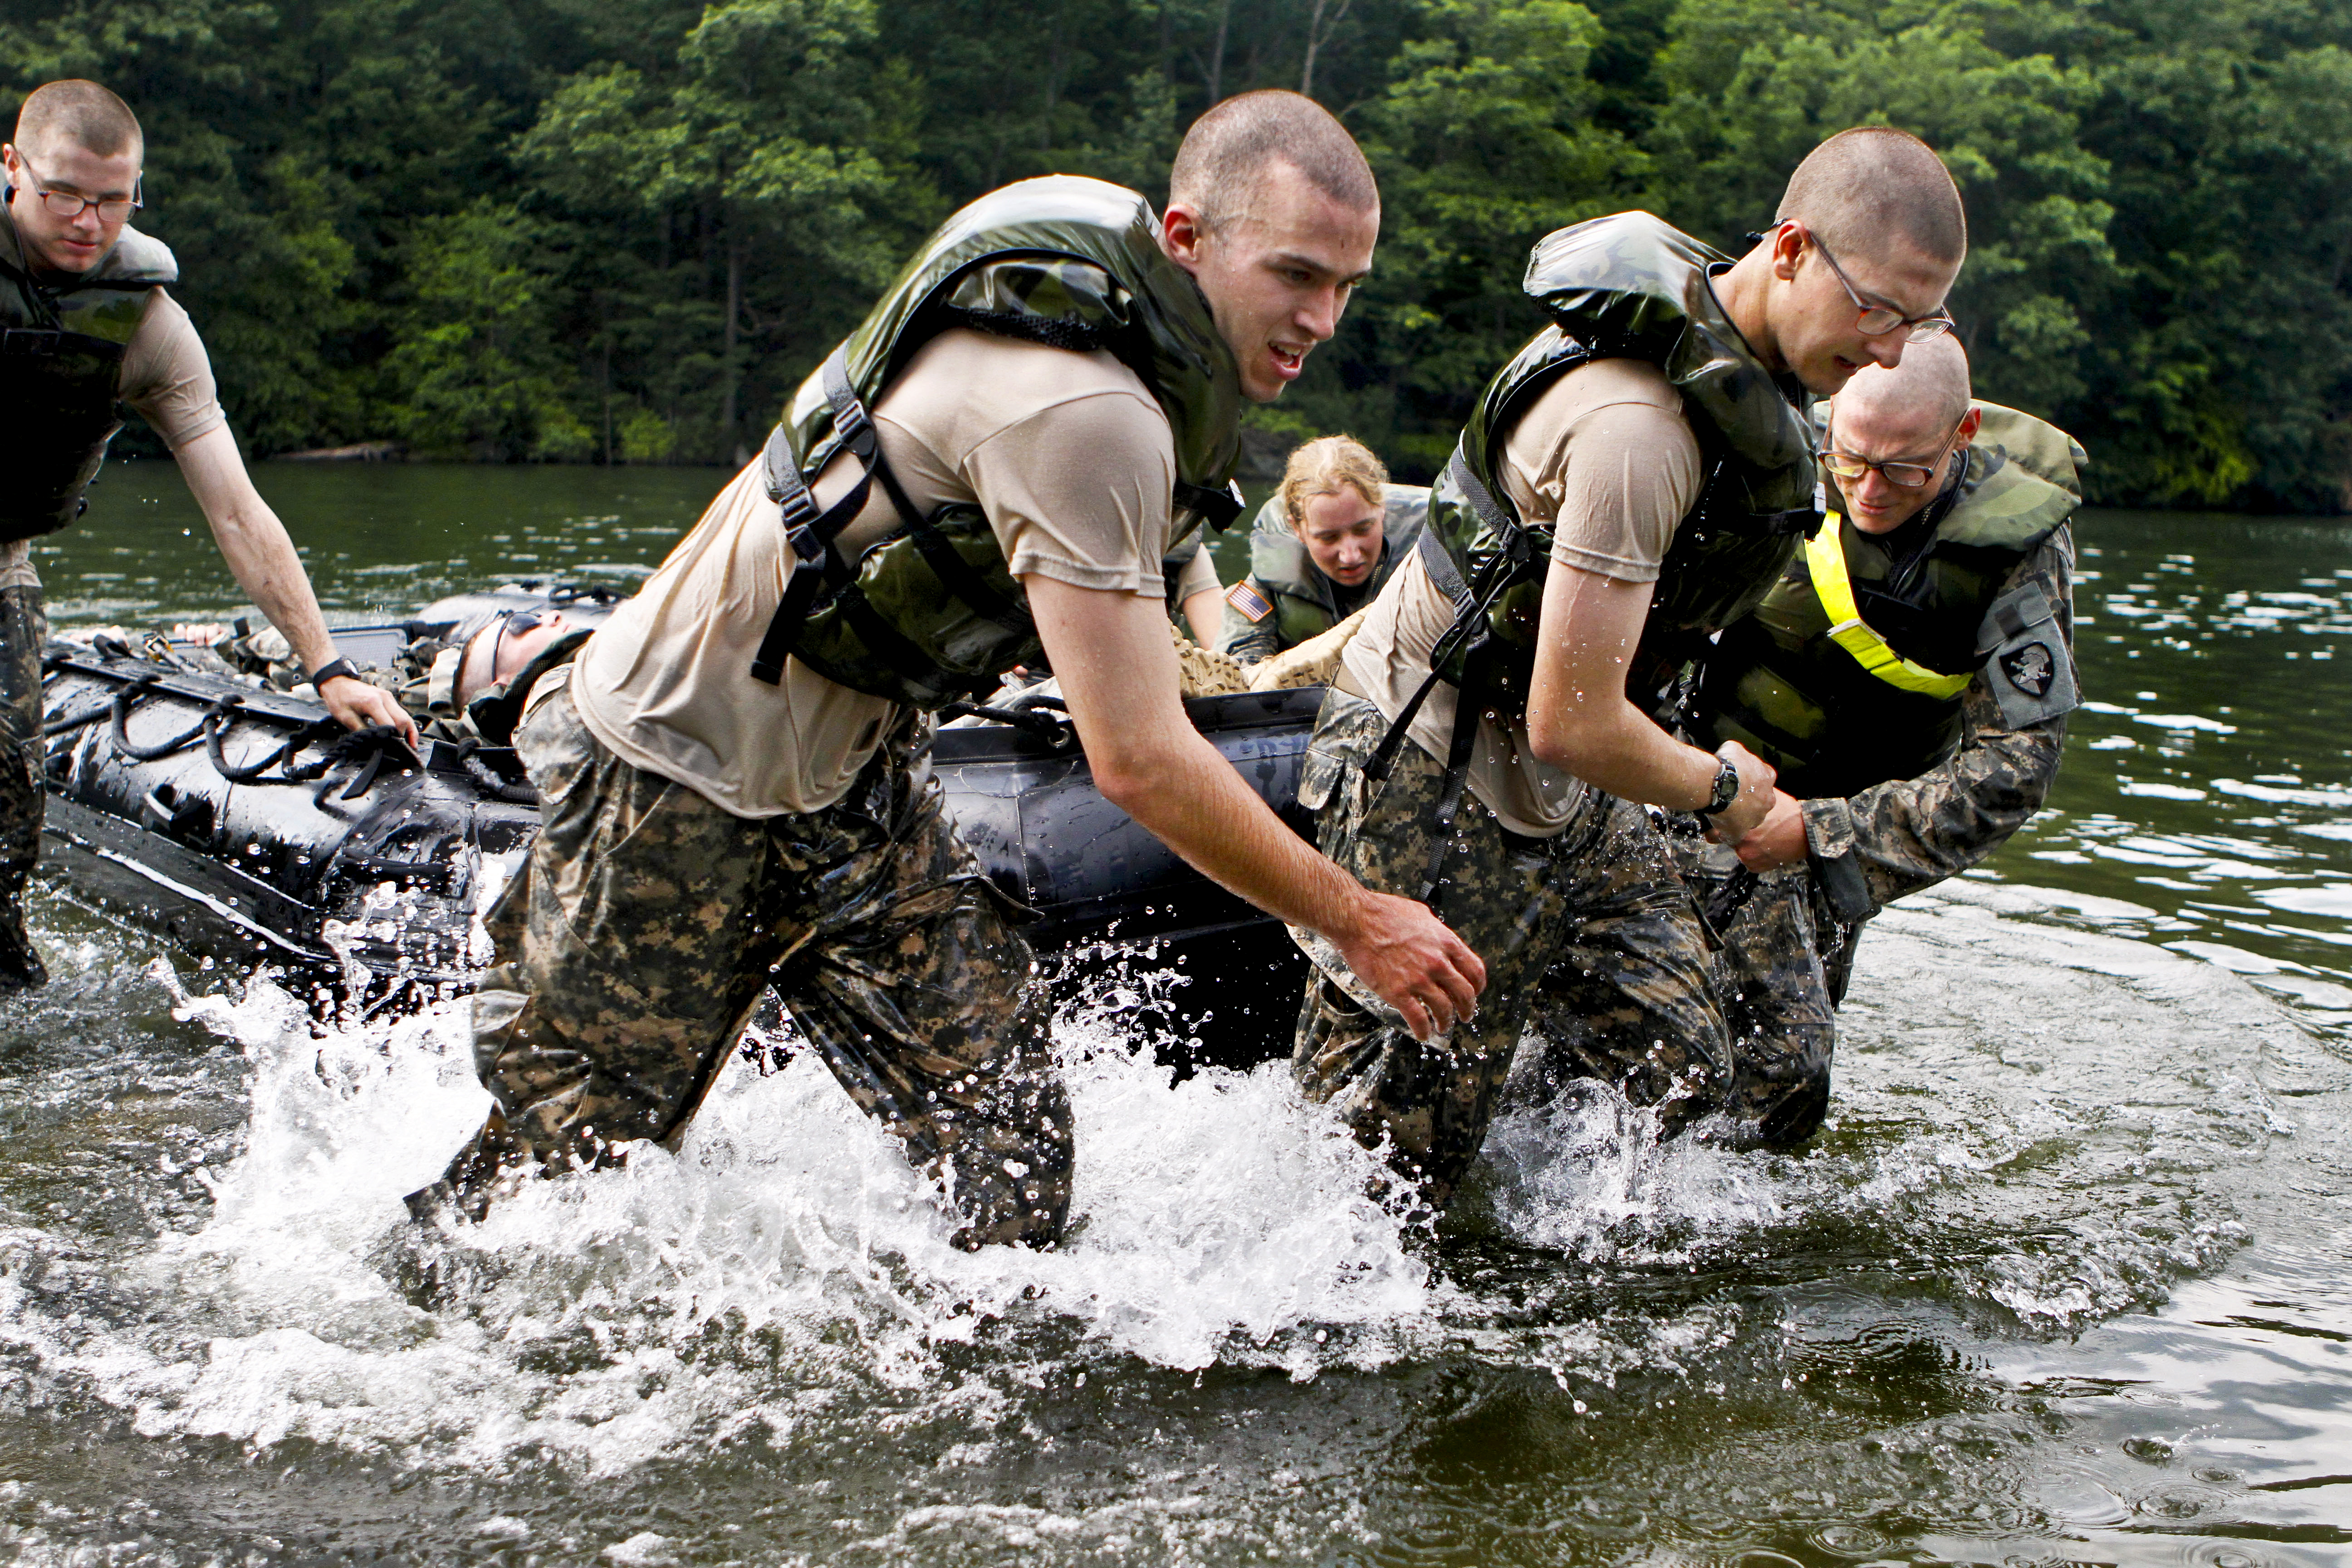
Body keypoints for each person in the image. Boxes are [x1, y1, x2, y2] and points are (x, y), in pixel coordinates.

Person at [413, 91, 1485, 1249]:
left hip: (855, 786)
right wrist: (1357, 917)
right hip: (674, 769)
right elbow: (1136, 760)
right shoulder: (1088, 410)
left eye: (1345, 287)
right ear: (1185, 240)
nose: (1322, 317)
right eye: (1295, 276)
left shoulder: (1133, 363)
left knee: (1009, 1165)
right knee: (553, 1195)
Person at [1291, 126, 1967, 1213]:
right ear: (1790, 251)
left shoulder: (1739, 384)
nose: (1889, 351)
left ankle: (1544, 1219)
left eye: (1918, 320)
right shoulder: (1636, 431)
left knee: (1681, 1059)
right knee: (1380, 1191)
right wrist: (1722, 788)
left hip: (1562, 788)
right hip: (1433, 772)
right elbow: (1572, 719)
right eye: (1879, 310)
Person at [0, 80, 414, 990]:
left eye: (114, 199)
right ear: (11, 169)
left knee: (3, 845)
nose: (88, 220)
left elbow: (236, 508)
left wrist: (329, 667)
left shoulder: (146, 326)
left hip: (2, 569)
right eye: (64, 192)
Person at [1661, 335, 2081, 1144]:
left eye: (1902, 471)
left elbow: (2013, 770)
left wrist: (1820, 835)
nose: (1866, 490)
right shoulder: (1767, 450)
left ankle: (1727, 1246)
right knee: (1767, 1049)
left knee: (1779, 1082)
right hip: (1692, 770)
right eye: (1848, 460)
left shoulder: (2014, 549)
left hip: (1842, 825)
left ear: (1961, 434)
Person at [1215, 435, 1427, 666]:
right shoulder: (1265, 589)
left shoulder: (1436, 566)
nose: (1351, 555)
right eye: (1328, 538)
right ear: (1298, 528)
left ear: (1382, 510)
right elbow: (1238, 675)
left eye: (1363, 529)